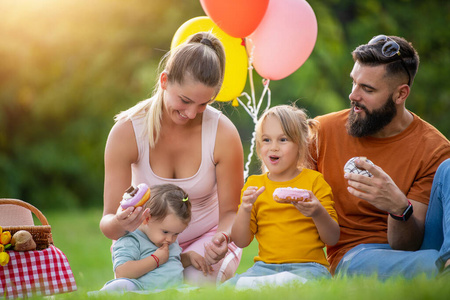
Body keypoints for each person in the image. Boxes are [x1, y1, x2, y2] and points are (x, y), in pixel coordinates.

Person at [100, 31, 244, 286]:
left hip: (207, 239)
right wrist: (122, 224)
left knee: (192, 282)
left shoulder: (223, 133)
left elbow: (231, 212)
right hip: (146, 246)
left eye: (203, 104)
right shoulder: (127, 132)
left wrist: (223, 237)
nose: (191, 113)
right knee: (146, 287)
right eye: (185, 101)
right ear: (164, 80)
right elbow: (108, 223)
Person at [312, 34, 450, 279]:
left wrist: (397, 206)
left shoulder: (435, 148)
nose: (353, 95)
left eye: (367, 89)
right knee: (433, 263)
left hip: (422, 247)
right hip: (357, 254)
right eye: (354, 82)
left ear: (400, 94)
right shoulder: (321, 133)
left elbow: (406, 244)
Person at [224, 105, 340, 287]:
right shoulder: (255, 185)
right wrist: (245, 209)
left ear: (300, 145)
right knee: (229, 288)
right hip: (265, 268)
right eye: (267, 140)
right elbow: (241, 240)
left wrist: (317, 212)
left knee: (294, 284)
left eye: (283, 139)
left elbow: (332, 238)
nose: (274, 148)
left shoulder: (314, 181)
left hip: (309, 267)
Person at [101, 184, 208, 291]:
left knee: (199, 291)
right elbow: (122, 272)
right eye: (165, 231)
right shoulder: (131, 239)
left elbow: (170, 263)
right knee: (123, 285)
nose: (170, 239)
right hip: (142, 290)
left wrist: (188, 257)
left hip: (173, 290)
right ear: (147, 219)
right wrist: (155, 260)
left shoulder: (166, 239)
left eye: (176, 234)